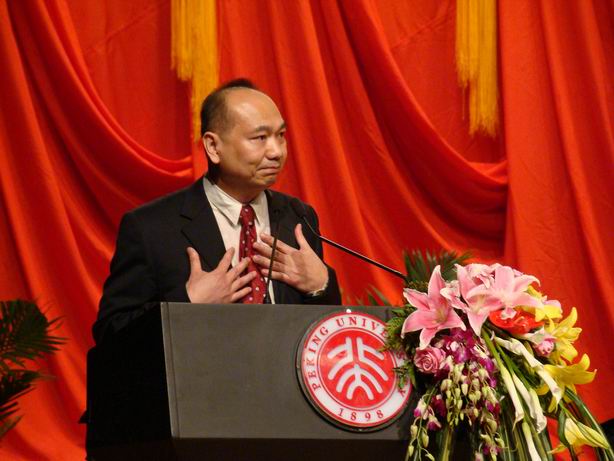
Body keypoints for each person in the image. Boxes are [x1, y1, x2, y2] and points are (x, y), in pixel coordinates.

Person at [92, 78, 341, 344]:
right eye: (260, 138)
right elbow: (111, 334)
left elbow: (324, 338)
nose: (276, 152)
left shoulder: (299, 217)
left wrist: (321, 286)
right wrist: (187, 304)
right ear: (213, 147)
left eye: (280, 136)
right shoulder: (151, 228)